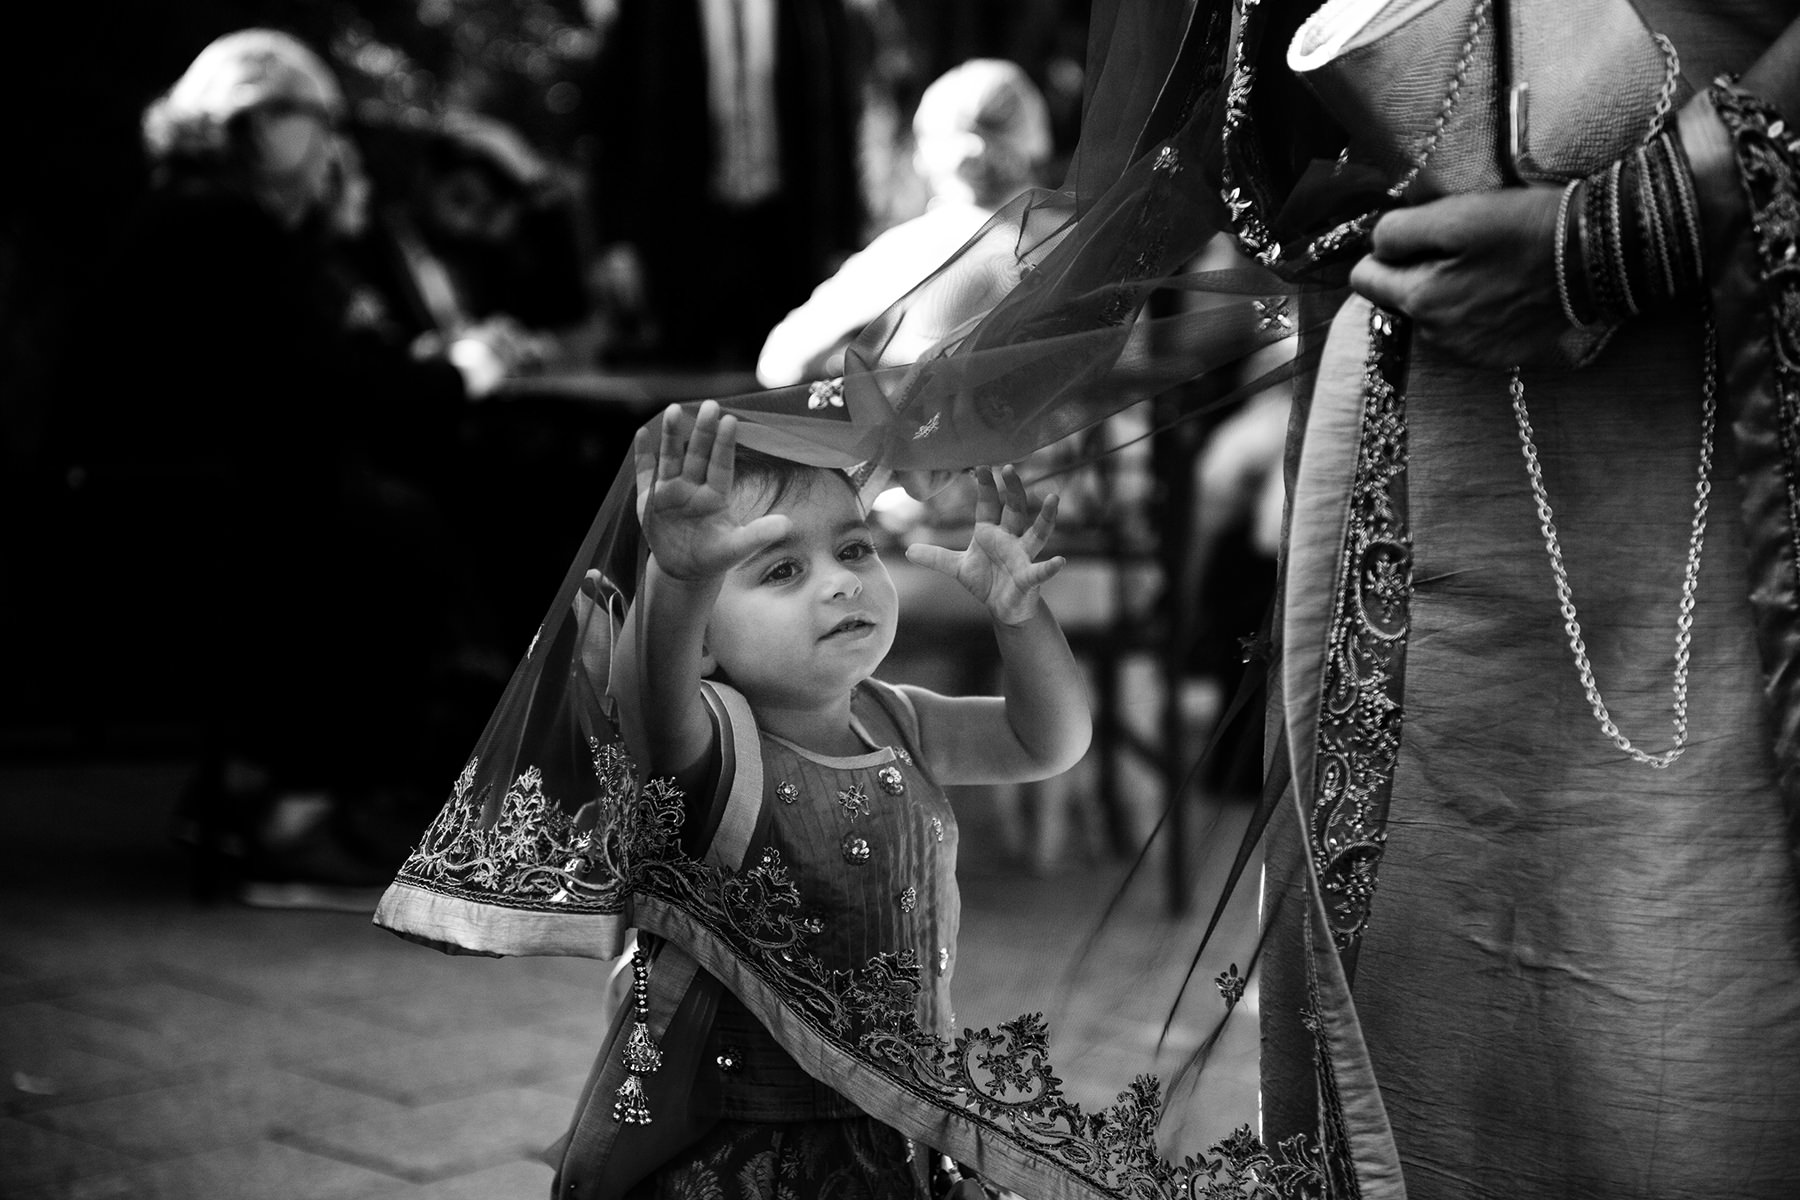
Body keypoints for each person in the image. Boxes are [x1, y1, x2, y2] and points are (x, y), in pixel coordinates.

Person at [50, 29, 531, 908]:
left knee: (389, 514)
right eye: (316, 120)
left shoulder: (206, 214)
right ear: (257, 122)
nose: (331, 144)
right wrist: (456, 374)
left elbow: (306, 370)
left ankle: (252, 789)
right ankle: (294, 821)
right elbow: (321, 381)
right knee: (391, 537)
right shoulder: (224, 223)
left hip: (168, 485)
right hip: (182, 501)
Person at [580, 0, 869, 369]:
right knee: (681, 389)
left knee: (783, 391)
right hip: (681, 235)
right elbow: (613, 123)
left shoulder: (812, 9)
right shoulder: (648, 11)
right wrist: (616, 239)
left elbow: (838, 120)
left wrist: (843, 239)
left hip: (783, 238)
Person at [756, 57, 1053, 387]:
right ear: (1035, 136)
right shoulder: (1083, 235)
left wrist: (855, 363)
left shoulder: (911, 249)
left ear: (925, 154)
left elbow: (781, 361)